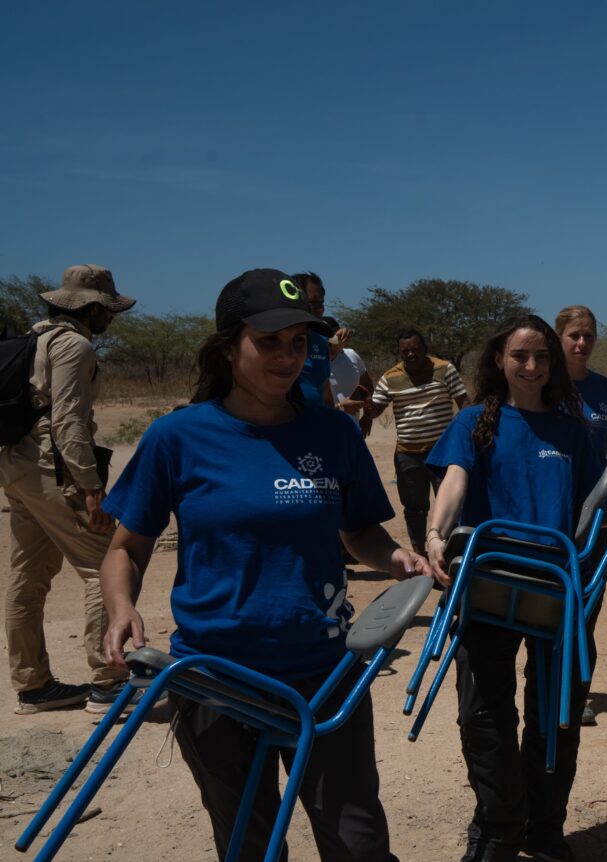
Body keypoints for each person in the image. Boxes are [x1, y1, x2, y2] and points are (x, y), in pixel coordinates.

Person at [99, 268, 429, 862]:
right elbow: (126, 547)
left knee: (358, 843)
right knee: (248, 843)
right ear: (229, 348)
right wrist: (120, 608)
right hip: (215, 677)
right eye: (269, 342)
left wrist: (395, 556)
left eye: (298, 342)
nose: (287, 356)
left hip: (325, 671)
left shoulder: (334, 433)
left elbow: (359, 530)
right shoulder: (177, 437)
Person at [424, 315, 602, 862]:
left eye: (542, 356)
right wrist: (435, 534)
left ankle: (545, 831)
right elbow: (454, 480)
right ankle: (499, 826)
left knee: (556, 716)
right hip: (487, 585)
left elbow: (593, 503)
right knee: (484, 716)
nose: (531, 366)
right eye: (520, 356)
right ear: (499, 360)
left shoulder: (573, 430)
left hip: (555, 592)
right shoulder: (474, 421)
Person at [1, 264, 136, 715]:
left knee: (28, 577)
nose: (111, 316)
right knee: (105, 563)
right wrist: (90, 486)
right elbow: (68, 421)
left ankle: (33, 686)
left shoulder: (35, 338)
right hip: (50, 465)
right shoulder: (75, 346)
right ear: (91, 308)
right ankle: (109, 681)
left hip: (16, 464)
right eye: (108, 309)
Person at [554, 305, 607, 726]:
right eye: (574, 335)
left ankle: (575, 691)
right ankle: (552, 687)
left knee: (588, 603)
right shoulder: (543, 385)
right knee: (556, 601)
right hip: (552, 513)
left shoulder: (603, 388)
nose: (582, 343)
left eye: (588, 335)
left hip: (596, 517)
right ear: (559, 338)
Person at [363, 329, 468, 555]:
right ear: (399, 353)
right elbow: (376, 410)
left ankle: (450, 557)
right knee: (414, 509)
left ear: (425, 349)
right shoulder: (390, 377)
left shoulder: (445, 369)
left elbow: (465, 404)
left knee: (452, 506)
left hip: (443, 453)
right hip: (408, 454)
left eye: (415, 349)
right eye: (405, 352)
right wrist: (368, 407)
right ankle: (420, 557)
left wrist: (465, 439)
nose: (411, 354)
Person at [324, 315, 374, 438]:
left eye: (332, 340)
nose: (329, 345)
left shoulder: (351, 355)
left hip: (352, 433)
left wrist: (368, 416)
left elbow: (367, 387)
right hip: (324, 433)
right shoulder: (314, 362)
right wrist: (341, 408)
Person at [291, 271, 334, 407]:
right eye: (313, 303)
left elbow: (325, 391)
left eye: (321, 303)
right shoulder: (277, 342)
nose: (320, 309)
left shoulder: (322, 340)